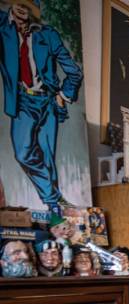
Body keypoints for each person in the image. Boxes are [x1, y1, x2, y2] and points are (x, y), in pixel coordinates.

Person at [0, 0, 84, 215]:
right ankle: (54, 197)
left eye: (27, 4)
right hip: (22, 101)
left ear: (34, 10)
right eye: (18, 2)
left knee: (48, 156)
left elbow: (74, 71)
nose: (21, 7)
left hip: (48, 102)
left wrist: (63, 95)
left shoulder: (47, 34)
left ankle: (54, 210)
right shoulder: (2, 28)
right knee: (23, 152)